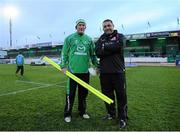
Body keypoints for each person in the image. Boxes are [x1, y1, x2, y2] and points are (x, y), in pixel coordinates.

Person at [60, 19, 98, 123]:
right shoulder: (69, 38)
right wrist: (63, 66)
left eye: (83, 25)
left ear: (85, 27)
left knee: (83, 94)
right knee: (70, 94)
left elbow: (93, 55)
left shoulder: (89, 40)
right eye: (79, 25)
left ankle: (82, 112)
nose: (81, 27)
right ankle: (67, 113)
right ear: (76, 27)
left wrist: (97, 66)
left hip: (85, 72)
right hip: (72, 72)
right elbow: (64, 53)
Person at [95, 19, 128, 129]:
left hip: (118, 72)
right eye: (104, 26)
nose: (107, 28)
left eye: (109, 25)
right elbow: (98, 52)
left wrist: (105, 47)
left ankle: (122, 117)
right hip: (104, 73)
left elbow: (119, 46)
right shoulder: (101, 38)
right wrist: (110, 47)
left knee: (121, 96)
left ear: (113, 25)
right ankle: (111, 114)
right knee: (107, 96)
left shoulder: (120, 36)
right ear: (102, 28)